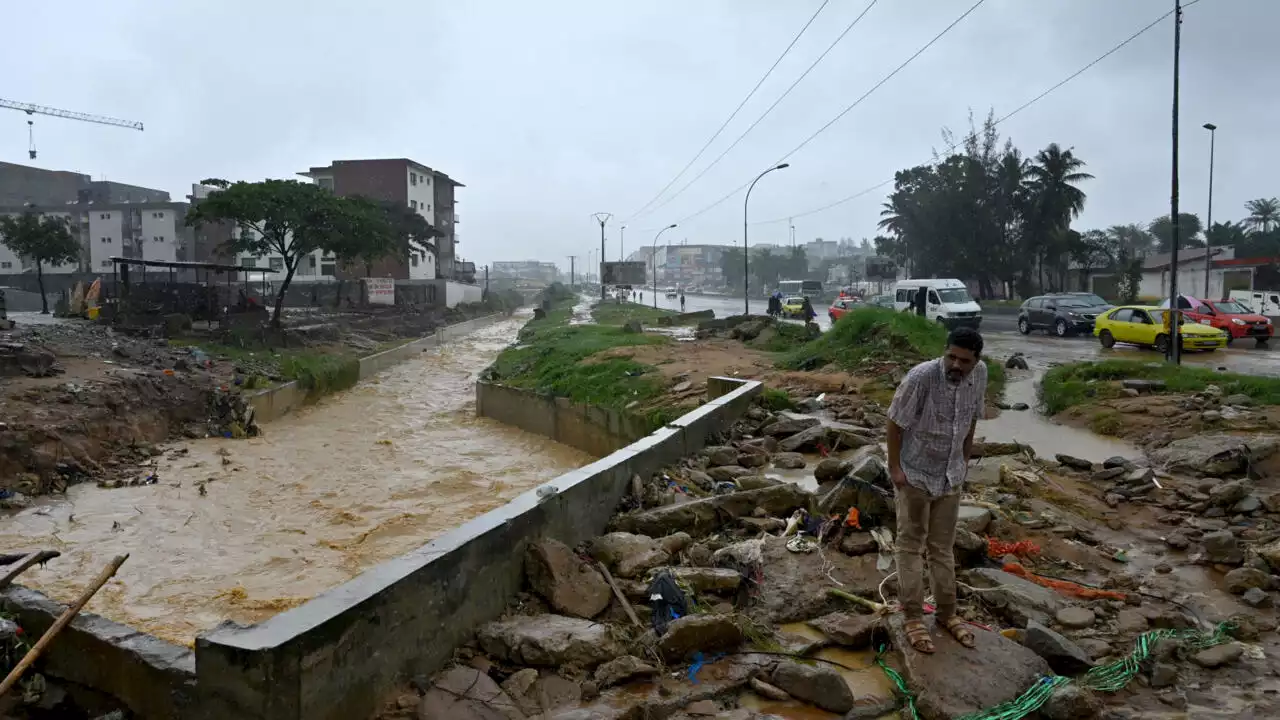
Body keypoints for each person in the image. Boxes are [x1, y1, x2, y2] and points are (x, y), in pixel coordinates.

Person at [886, 326, 987, 654]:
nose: (956, 365)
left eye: (964, 361)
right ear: (944, 352)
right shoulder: (922, 377)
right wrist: (895, 469)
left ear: (976, 361)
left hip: (950, 476)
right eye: (951, 357)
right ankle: (913, 617)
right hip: (915, 474)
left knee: (942, 548)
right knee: (910, 547)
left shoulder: (979, 375)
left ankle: (947, 614)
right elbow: (894, 421)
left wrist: (965, 458)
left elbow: (972, 418)